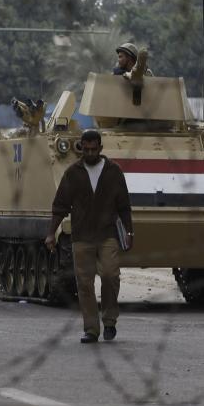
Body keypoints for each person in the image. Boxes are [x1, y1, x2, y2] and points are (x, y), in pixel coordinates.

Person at [45, 129, 133, 344]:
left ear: (101, 148)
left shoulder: (114, 172)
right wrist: (51, 233)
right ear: (81, 149)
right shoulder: (73, 172)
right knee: (84, 283)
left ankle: (110, 319)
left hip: (108, 234)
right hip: (82, 236)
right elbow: (60, 206)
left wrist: (129, 231)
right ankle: (91, 329)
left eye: (94, 149)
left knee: (111, 275)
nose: (90, 153)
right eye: (86, 149)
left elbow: (124, 206)